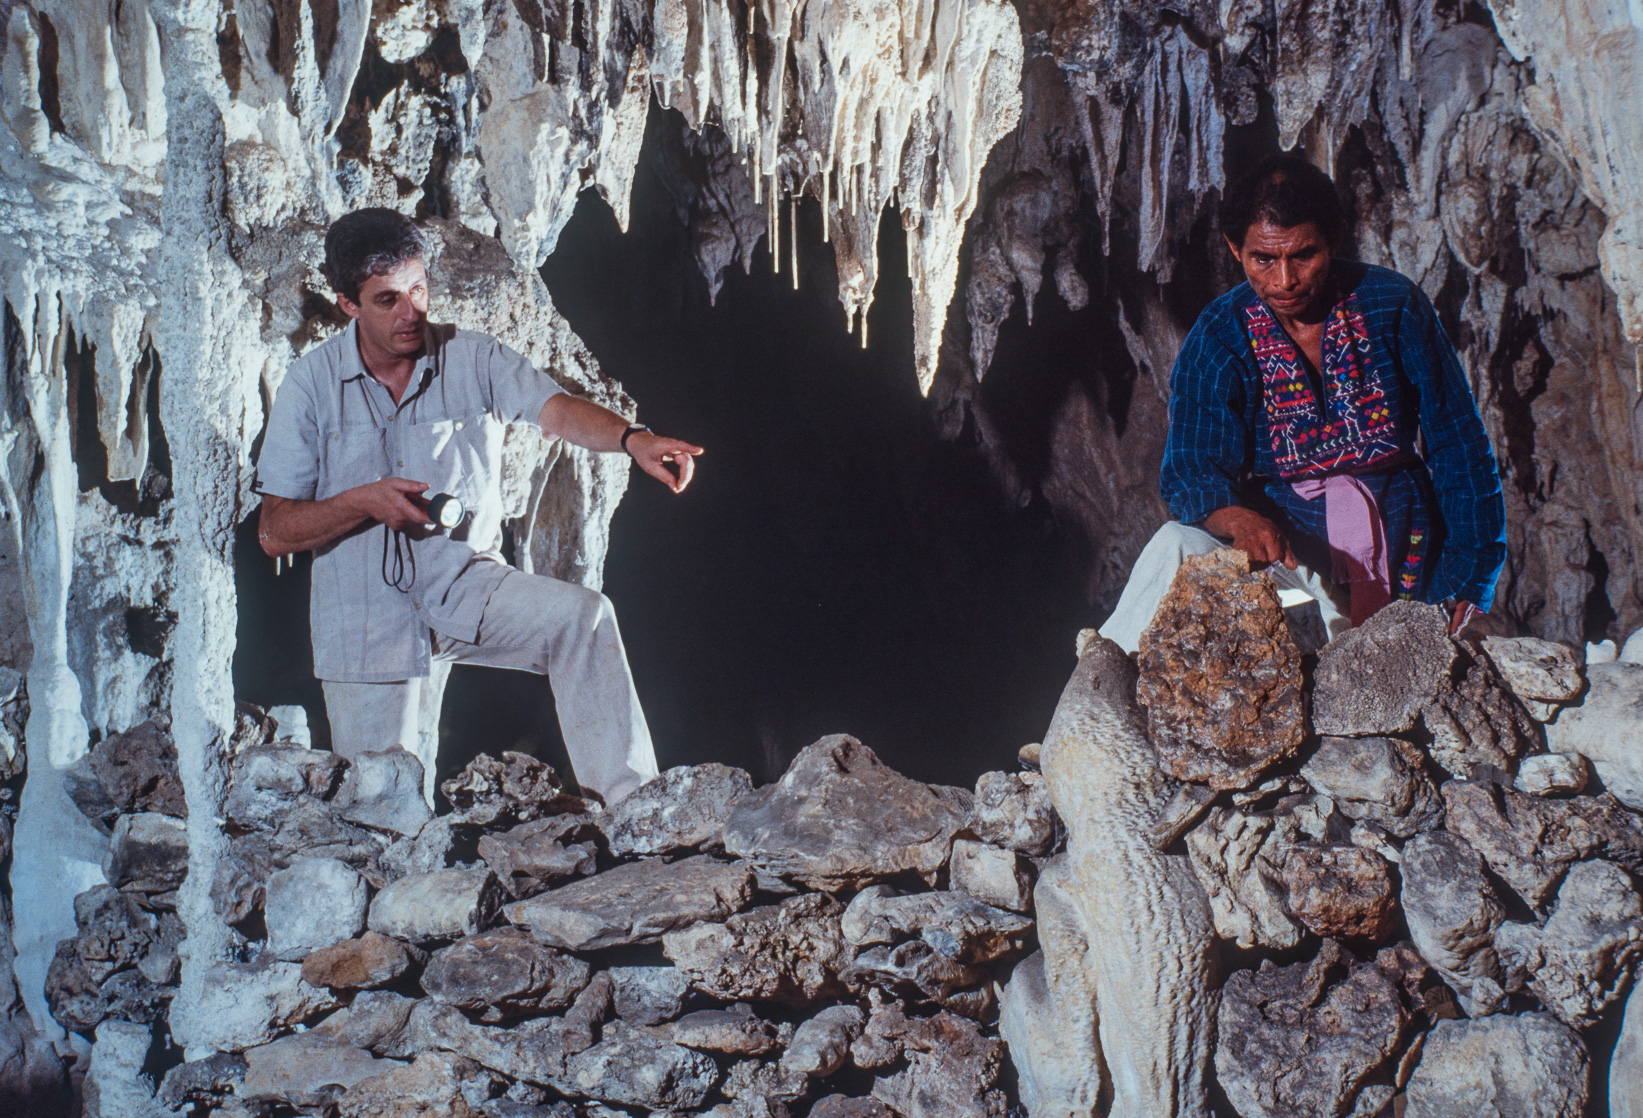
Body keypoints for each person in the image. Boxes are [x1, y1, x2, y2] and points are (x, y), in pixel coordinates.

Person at [254, 209, 702, 805]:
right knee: (381, 814)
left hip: (464, 586)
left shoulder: (473, 358)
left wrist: (632, 439)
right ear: (348, 304)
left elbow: (557, 408)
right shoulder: (310, 385)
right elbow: (275, 531)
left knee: (584, 618)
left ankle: (636, 809)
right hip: (361, 617)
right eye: (387, 299)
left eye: (418, 289)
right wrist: (363, 501)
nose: (410, 312)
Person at [1098, 154, 1506, 653]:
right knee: (1174, 545)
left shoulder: (1392, 304)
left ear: (1333, 239)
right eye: (1263, 259)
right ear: (1235, 249)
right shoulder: (1219, 335)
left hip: (1405, 541)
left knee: (1391, 683)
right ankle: (1097, 691)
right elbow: (1191, 469)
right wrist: (1238, 520)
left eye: (1304, 255)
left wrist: (1471, 573)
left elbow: (1458, 444)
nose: (1284, 280)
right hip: (1287, 550)